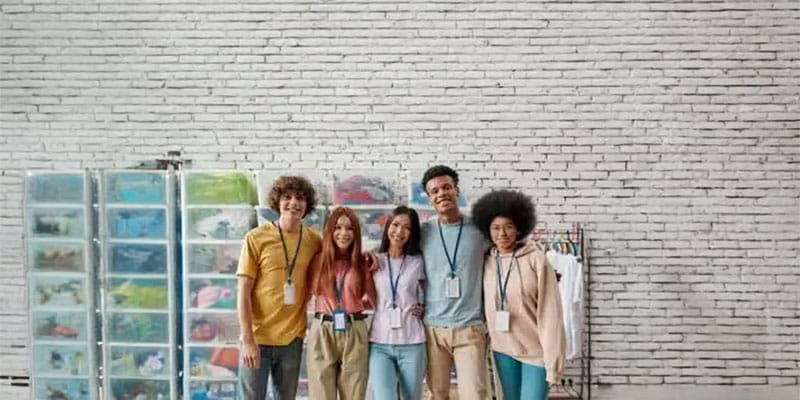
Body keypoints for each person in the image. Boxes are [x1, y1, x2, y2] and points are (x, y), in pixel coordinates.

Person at [471, 189, 567, 400]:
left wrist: (554, 360)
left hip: (535, 351)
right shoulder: (486, 261)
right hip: (502, 350)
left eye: (508, 227)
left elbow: (551, 313)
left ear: (519, 229)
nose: (502, 234)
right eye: (495, 228)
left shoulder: (536, 259)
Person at [236, 176, 323, 400]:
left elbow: (341, 253)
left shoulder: (314, 240)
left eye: (300, 198)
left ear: (307, 205)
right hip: (257, 337)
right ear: (277, 201)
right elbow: (243, 291)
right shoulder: (256, 238)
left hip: (291, 338)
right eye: (287, 197)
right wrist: (247, 340)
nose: (293, 203)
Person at [419, 165, 492, 400]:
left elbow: (510, 246)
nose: (442, 194)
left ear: (457, 190)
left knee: (474, 394)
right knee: (437, 394)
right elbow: (394, 254)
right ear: (429, 198)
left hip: (470, 327)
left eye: (446, 187)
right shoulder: (423, 232)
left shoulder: (481, 229)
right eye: (435, 191)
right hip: (433, 328)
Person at [307, 206, 376, 400]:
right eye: (338, 227)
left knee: (354, 394)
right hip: (323, 329)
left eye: (350, 229)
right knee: (321, 395)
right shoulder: (318, 260)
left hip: (354, 328)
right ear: (330, 231)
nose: (343, 233)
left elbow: (373, 299)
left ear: (356, 233)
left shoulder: (363, 262)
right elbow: (310, 292)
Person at [368, 206, 427, 400]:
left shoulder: (418, 261)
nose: (399, 232)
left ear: (412, 233)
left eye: (407, 228)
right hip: (380, 343)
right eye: (395, 225)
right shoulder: (374, 260)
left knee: (412, 397)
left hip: (412, 342)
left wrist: (424, 306)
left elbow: (432, 291)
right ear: (387, 227)